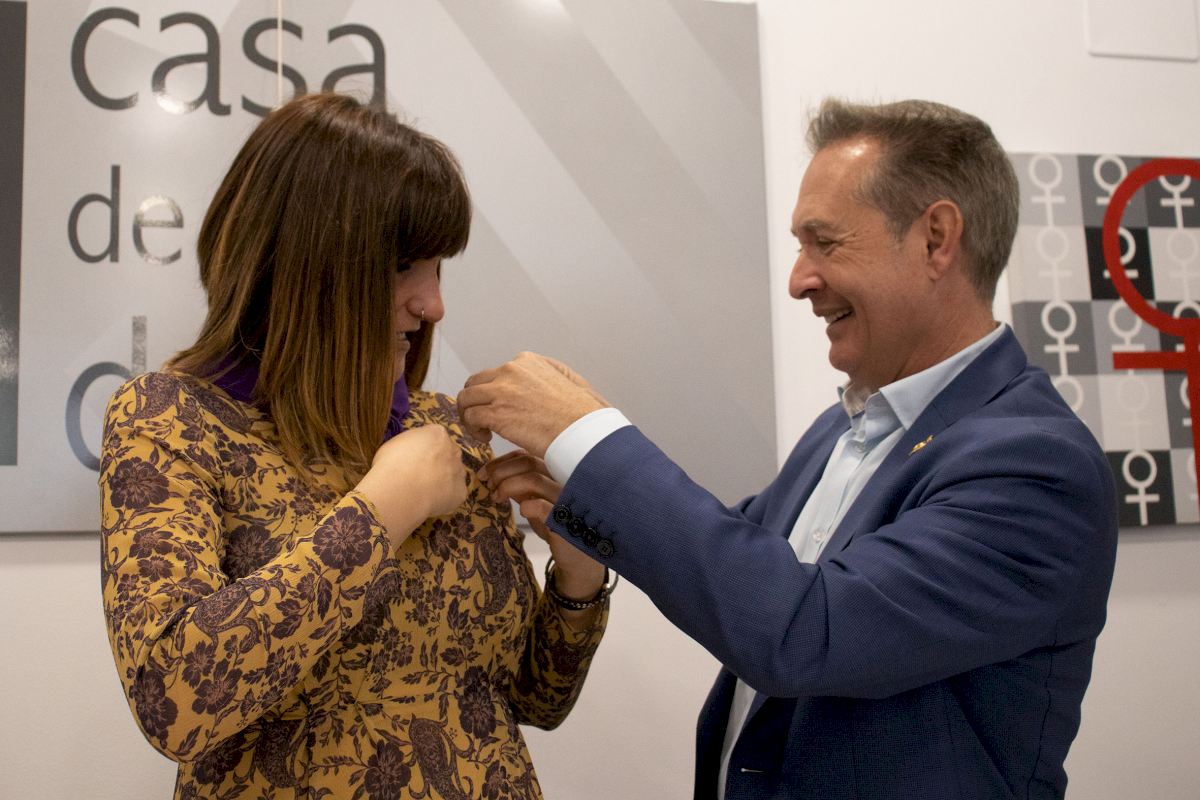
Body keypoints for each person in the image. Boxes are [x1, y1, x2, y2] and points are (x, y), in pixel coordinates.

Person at [457, 98, 1119, 799]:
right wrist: (582, 506)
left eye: (824, 243)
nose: (800, 280)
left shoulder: (1038, 467)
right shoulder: (848, 426)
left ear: (936, 239)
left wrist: (587, 437)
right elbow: (741, 562)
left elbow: (805, 629)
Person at [99, 92, 611, 800]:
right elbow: (175, 702)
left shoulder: (446, 433)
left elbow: (531, 699)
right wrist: (383, 509)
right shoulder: (173, 420)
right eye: (403, 266)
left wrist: (579, 576)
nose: (433, 304)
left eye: (437, 268)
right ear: (302, 265)